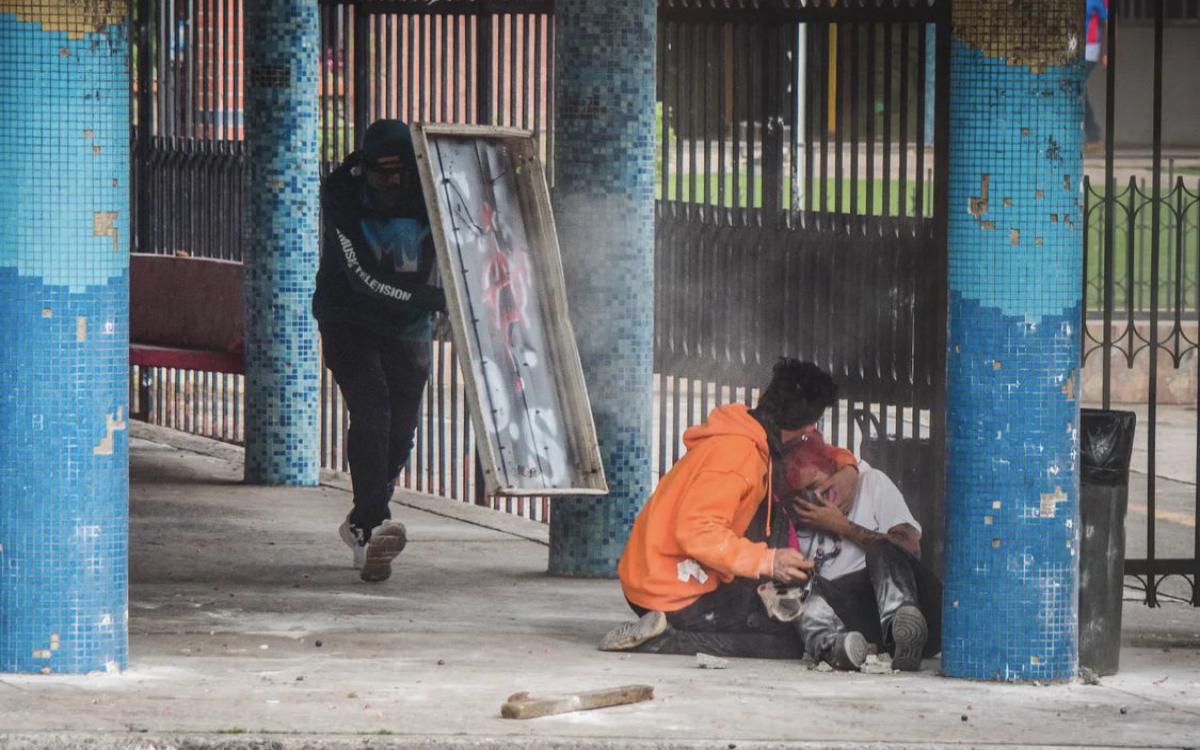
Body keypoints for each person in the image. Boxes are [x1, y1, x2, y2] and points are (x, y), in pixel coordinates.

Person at [599, 359, 860, 659]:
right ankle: (664, 640)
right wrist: (767, 561)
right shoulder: (738, 457)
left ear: (766, 396)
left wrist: (848, 467)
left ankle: (665, 627)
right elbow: (696, 531)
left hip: (661, 575)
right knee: (785, 642)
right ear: (807, 425)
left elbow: (826, 450)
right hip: (670, 589)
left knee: (775, 612)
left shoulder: (748, 430)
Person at [312, 119, 446, 583]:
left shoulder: (435, 188)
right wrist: (433, 301)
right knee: (372, 412)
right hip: (348, 314)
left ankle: (361, 519)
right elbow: (359, 276)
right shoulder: (341, 192)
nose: (388, 185)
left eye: (398, 176)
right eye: (379, 175)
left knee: (402, 429)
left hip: (408, 322)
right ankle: (372, 525)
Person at [781, 432, 942, 671]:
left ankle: (903, 630)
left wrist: (841, 526)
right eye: (801, 494)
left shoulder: (871, 482)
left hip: (913, 604)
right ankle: (835, 647)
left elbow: (910, 547)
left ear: (836, 476)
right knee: (787, 585)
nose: (812, 499)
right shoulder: (792, 523)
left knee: (883, 548)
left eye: (817, 487)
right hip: (858, 627)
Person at [1084, 0, 1109, 151]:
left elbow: (1109, 22)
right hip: (1071, 47)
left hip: (1089, 48)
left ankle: (1093, 135)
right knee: (1077, 90)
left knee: (1076, 89)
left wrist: (1108, 51)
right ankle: (1093, 136)